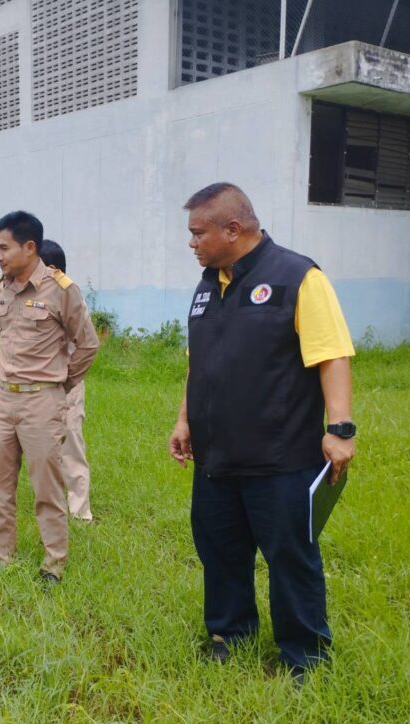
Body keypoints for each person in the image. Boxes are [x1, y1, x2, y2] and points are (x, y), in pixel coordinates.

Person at [168, 182, 356, 682]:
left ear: (233, 229)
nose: (191, 243)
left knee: (291, 557)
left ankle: (304, 657)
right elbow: (198, 363)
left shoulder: (298, 277)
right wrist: (185, 419)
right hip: (216, 458)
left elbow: (332, 354)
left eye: (198, 233)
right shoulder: (207, 285)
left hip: (281, 459)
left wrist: (340, 429)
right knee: (220, 550)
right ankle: (231, 635)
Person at [0, 211, 99, 583]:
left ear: (29, 247)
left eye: (4, 248)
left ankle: (54, 564)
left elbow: (87, 344)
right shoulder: (2, 286)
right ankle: (1, 560)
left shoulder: (61, 289)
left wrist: (61, 385)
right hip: (2, 398)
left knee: (46, 489)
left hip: (41, 401)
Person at [38, 239, 92, 522]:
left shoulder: (69, 296)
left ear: (53, 269)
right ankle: (52, 504)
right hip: (39, 387)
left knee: (71, 444)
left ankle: (80, 512)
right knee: (45, 447)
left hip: (66, 383)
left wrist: (68, 382)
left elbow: (86, 345)